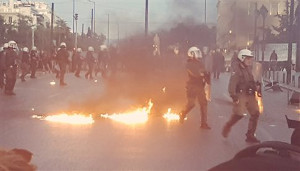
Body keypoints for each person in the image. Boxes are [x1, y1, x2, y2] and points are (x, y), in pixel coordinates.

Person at [222, 49, 261, 143]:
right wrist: (233, 95)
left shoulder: (248, 69)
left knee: (255, 113)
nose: (250, 60)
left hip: (250, 94)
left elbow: (251, 80)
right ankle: (228, 126)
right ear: (242, 58)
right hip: (241, 94)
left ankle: (250, 135)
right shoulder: (237, 69)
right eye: (248, 58)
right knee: (239, 114)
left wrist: (257, 86)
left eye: (250, 59)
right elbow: (232, 83)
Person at [179, 46, 211, 129]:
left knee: (203, 104)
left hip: (200, 86)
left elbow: (204, 72)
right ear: (192, 54)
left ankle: (204, 123)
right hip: (192, 87)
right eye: (196, 52)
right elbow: (195, 74)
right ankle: (183, 113)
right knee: (191, 104)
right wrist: (202, 74)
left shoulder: (200, 63)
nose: (198, 54)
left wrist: (207, 77)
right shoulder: (188, 64)